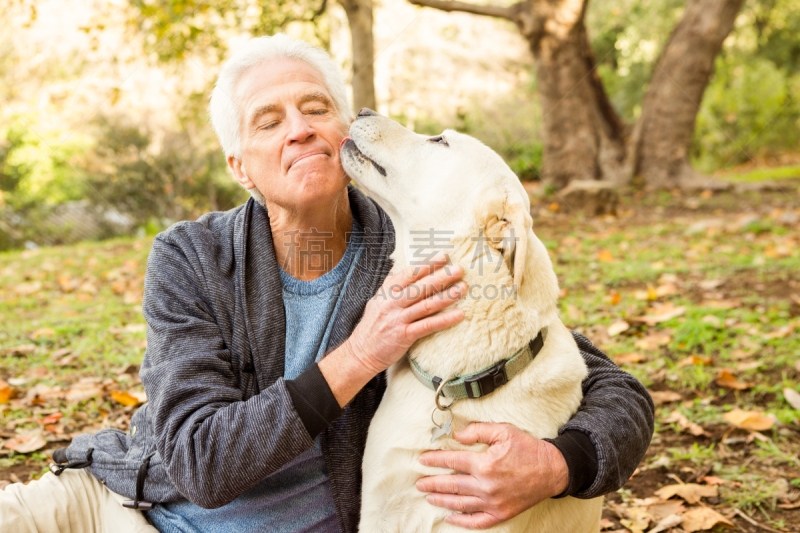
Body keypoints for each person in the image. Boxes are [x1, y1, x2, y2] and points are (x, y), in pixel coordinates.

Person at [0, 34, 654, 533]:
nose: (300, 128)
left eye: (316, 108)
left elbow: (604, 381)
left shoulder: (416, 247)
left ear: (344, 131)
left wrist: (558, 463)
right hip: (125, 509)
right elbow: (202, 463)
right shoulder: (191, 257)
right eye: (269, 120)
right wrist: (362, 352)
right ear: (241, 167)